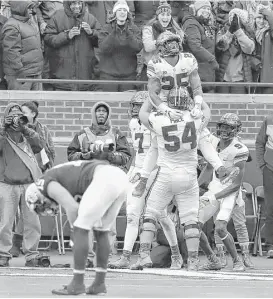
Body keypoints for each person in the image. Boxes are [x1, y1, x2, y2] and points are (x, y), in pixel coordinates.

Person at [130, 31, 231, 272]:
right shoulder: (196, 120)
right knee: (190, 218)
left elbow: (144, 115)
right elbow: (206, 145)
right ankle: (194, 260)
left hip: (166, 172)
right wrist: (219, 166)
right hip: (188, 173)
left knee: (151, 213)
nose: (173, 46)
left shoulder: (158, 120)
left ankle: (143, 255)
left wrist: (162, 109)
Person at [25, 160, 129, 295]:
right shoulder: (57, 176)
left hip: (104, 178)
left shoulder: (44, 183)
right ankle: (99, 283)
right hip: (119, 178)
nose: (46, 208)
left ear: (36, 195)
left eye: (41, 205)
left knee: (80, 227)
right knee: (102, 230)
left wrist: (76, 234)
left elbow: (72, 207)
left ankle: (77, 284)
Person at [67, 101, 131, 265]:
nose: (101, 114)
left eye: (104, 111)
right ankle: (86, 257)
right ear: (94, 114)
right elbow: (71, 155)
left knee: (109, 223)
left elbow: (126, 157)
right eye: (98, 111)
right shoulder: (82, 134)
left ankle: (105, 257)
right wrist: (84, 156)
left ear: (108, 114)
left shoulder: (117, 134)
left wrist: (109, 156)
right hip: (88, 181)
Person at [198, 113, 250, 271]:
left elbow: (235, 185)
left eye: (228, 128)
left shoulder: (239, 149)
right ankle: (213, 260)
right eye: (222, 127)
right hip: (214, 187)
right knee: (194, 226)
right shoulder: (212, 142)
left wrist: (215, 196)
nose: (224, 131)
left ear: (236, 130)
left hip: (230, 192)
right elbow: (208, 167)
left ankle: (237, 261)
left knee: (220, 227)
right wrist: (196, 188)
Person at [9, 100, 56, 258]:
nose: (20, 116)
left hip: (38, 174)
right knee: (23, 210)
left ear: (33, 114)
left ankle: (19, 242)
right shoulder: (13, 129)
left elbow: (48, 150)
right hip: (17, 175)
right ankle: (16, 242)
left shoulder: (42, 130)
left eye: (24, 112)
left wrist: (44, 169)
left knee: (31, 211)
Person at [0, 103, 44, 267]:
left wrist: (25, 128)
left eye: (20, 116)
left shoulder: (27, 134)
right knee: (5, 222)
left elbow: (39, 146)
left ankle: (32, 255)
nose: (17, 119)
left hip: (28, 184)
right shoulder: (4, 136)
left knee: (32, 222)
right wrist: (4, 127)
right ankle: (2, 254)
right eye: (13, 116)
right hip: (7, 184)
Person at [44, 0, 101, 91]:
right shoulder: (57, 17)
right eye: (74, 3)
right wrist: (67, 36)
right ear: (68, 4)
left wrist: (91, 33)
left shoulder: (90, 18)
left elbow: (101, 41)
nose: (77, 6)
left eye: (79, 3)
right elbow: (48, 39)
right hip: (62, 79)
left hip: (86, 79)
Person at [98, 0, 143, 92]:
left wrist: (127, 32)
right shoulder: (106, 28)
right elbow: (103, 48)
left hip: (128, 76)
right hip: (108, 75)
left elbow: (137, 47)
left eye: (124, 10)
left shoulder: (134, 29)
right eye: (119, 10)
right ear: (115, 13)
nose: (122, 12)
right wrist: (114, 31)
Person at [1, 1, 43, 90]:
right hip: (21, 76)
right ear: (20, 8)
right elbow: (11, 52)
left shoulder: (29, 22)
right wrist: (21, 72)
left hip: (34, 72)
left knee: (35, 103)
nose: (31, 11)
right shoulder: (12, 26)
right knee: (19, 103)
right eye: (28, 8)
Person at [180, 0, 219, 93]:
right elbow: (195, 46)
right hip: (197, 73)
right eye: (204, 8)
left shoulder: (203, 25)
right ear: (196, 10)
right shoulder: (191, 24)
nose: (207, 11)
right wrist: (212, 59)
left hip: (206, 73)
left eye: (208, 9)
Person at [141, 0, 184, 81]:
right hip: (151, 69)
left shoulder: (176, 30)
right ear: (157, 16)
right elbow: (148, 47)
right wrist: (163, 39)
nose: (165, 17)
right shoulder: (148, 29)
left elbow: (179, 49)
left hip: (170, 70)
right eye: (162, 14)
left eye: (168, 15)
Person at [255, 114, 273, 258]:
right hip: (270, 170)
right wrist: (262, 164)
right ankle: (271, 245)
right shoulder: (268, 120)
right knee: (270, 207)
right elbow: (260, 143)